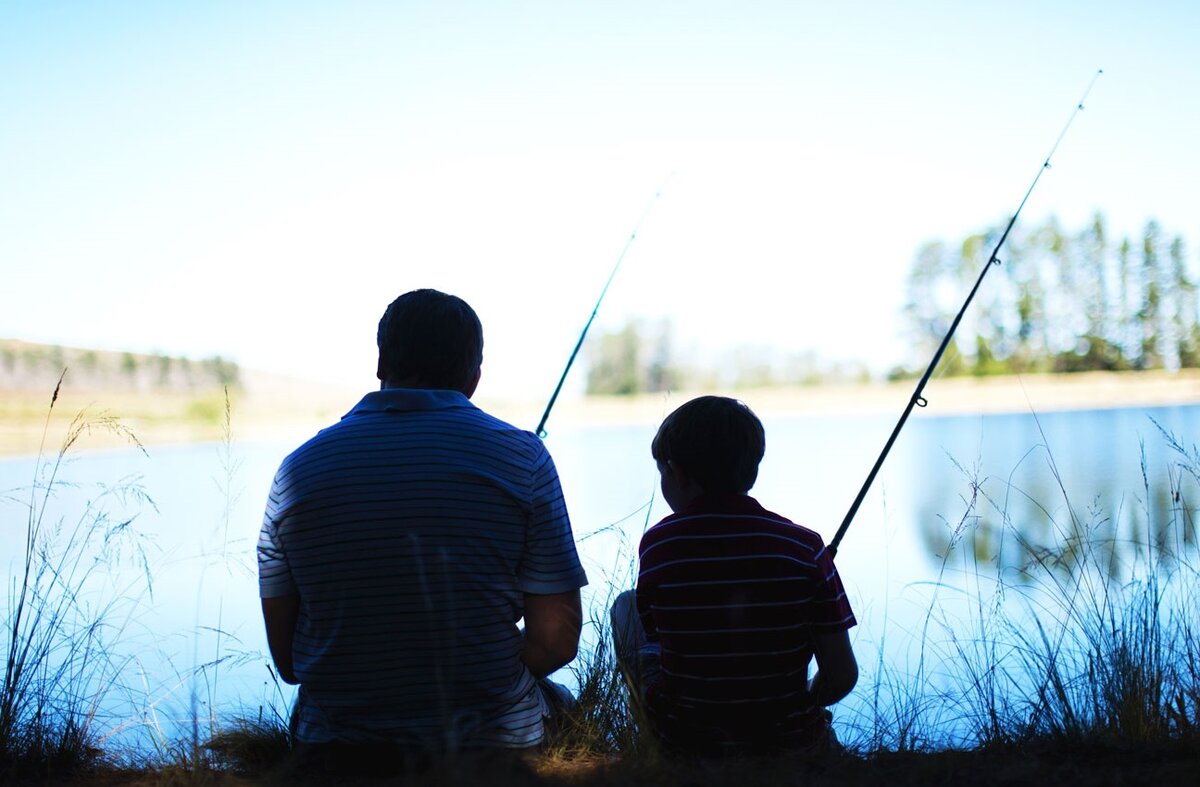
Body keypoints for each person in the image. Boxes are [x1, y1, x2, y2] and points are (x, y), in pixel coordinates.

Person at [257, 289, 587, 774]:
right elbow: (558, 641)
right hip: (493, 747)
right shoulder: (524, 458)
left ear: (380, 363)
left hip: (336, 751)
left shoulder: (297, 471)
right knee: (562, 702)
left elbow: (288, 663)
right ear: (474, 376)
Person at [610, 395, 857, 756]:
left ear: (676, 473)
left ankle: (652, 742)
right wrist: (802, 705)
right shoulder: (806, 546)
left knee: (626, 606)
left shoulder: (659, 545)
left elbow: (657, 634)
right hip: (790, 742)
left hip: (687, 746)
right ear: (752, 470)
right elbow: (841, 676)